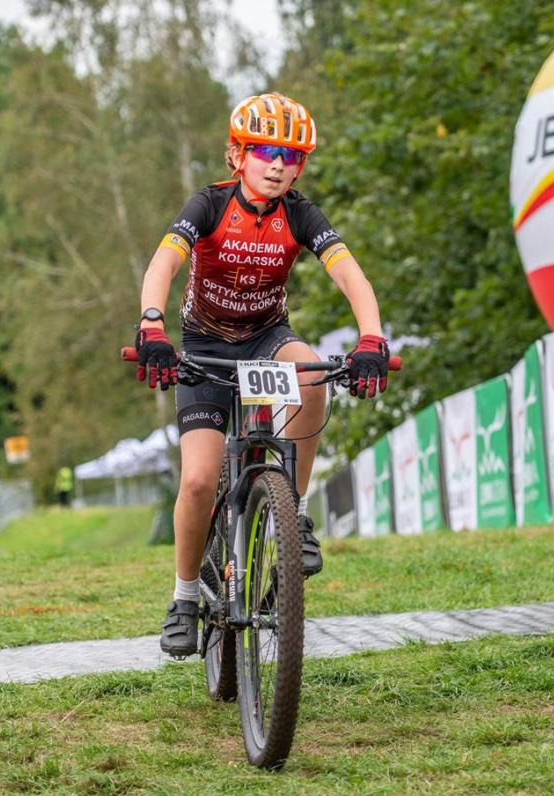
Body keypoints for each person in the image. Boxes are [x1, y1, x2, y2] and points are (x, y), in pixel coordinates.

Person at [134, 92, 390, 658]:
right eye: (265, 151)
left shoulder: (300, 214)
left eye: (291, 156)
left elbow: (351, 275)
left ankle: (292, 512)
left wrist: (371, 337)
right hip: (205, 347)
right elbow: (164, 262)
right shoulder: (209, 204)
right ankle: (183, 599)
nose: (278, 165)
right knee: (198, 481)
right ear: (237, 155)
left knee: (312, 375)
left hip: (267, 338)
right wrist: (152, 322)